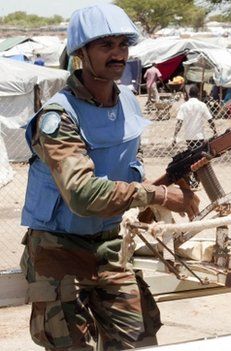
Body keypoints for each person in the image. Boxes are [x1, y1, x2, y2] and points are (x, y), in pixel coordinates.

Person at [19, 4, 200, 350]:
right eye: (105, 46)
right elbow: (82, 195)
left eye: (122, 44)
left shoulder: (129, 103)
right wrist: (161, 197)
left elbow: (131, 166)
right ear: (81, 53)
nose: (118, 54)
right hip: (58, 250)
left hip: (109, 245)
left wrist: (166, 184)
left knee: (139, 339)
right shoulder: (58, 118)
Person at [172, 85, 217, 187]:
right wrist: (214, 131)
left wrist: (175, 136)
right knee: (200, 158)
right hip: (199, 136)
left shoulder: (184, 106)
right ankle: (197, 180)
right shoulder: (202, 105)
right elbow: (210, 120)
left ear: (188, 94)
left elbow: (179, 122)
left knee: (191, 158)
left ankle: (193, 180)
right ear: (198, 94)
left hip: (189, 137)